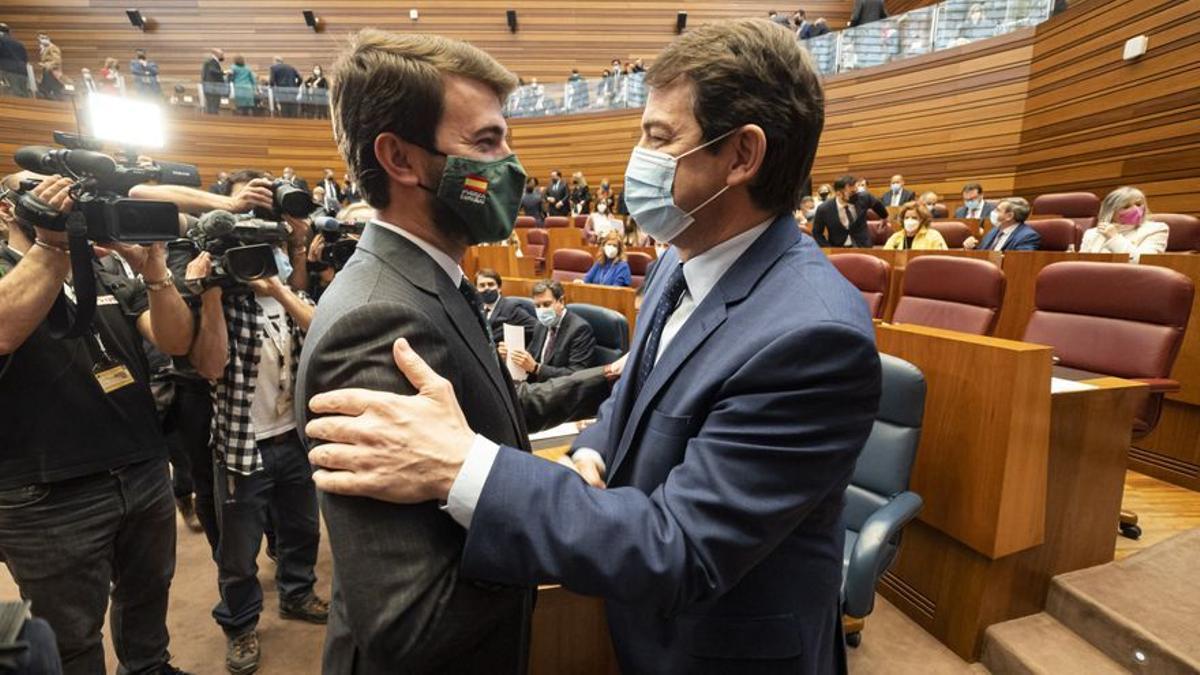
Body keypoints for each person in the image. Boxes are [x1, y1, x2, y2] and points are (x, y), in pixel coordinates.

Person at [303, 18, 881, 675]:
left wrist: (469, 468)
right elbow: (637, 391)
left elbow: (685, 546)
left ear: (742, 156)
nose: (637, 156)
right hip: (640, 626)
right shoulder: (681, 257)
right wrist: (592, 451)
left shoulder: (814, 336)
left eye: (658, 137)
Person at [294, 29, 540, 674]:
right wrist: (545, 514)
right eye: (485, 143)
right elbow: (411, 623)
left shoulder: (425, 281)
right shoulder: (380, 320)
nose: (510, 164)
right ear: (400, 160)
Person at [0, 175, 195, 675]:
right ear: (7, 210)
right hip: (48, 493)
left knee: (147, 596)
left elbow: (174, 340)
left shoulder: (101, 271)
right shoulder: (14, 269)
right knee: (71, 636)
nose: (61, 194)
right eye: (39, 190)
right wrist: (51, 243)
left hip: (142, 468)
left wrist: (155, 273)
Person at [186, 171, 327, 675]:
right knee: (239, 552)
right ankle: (241, 626)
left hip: (294, 437)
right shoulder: (230, 303)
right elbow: (208, 366)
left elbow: (323, 329)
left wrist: (280, 286)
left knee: (302, 528)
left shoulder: (289, 303)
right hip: (243, 446)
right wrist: (211, 295)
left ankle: (297, 592)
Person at [502, 279, 596, 381]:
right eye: (537, 306)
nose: (542, 310)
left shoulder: (580, 329)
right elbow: (530, 357)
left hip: (561, 389)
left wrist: (537, 368)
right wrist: (511, 357)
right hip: (539, 385)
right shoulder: (540, 325)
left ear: (561, 301)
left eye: (546, 304)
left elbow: (576, 374)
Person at [1079, 187, 1169, 262]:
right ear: (1110, 211)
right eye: (1126, 206)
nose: (1135, 210)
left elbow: (1144, 262)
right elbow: (1081, 264)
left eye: (1138, 204)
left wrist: (1114, 237)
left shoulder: (1156, 229)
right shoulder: (1092, 233)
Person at [812, 174, 885, 247]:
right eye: (852, 193)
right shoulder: (824, 209)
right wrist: (829, 248)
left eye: (856, 191)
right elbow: (817, 234)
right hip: (838, 249)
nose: (856, 195)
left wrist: (884, 217)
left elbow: (879, 207)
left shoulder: (864, 197)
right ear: (839, 193)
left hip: (863, 247)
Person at [476, 268, 538, 345]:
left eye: (491, 284)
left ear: (499, 288)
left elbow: (537, 328)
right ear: (476, 289)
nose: (487, 288)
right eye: (482, 285)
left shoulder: (511, 308)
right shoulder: (476, 308)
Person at [964, 197, 1041, 251]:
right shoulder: (994, 231)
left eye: (997, 210)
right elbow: (983, 253)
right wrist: (971, 248)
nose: (993, 212)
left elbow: (1019, 263)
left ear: (1009, 216)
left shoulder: (1028, 237)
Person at [0, 24, 30, 97]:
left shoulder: (1, 41)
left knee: (10, 98)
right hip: (22, 72)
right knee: (22, 96)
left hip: (7, 71)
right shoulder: (19, 43)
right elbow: (25, 59)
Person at [35, 33, 64, 100]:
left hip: (52, 71)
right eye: (40, 39)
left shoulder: (52, 47)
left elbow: (57, 60)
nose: (41, 40)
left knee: (54, 88)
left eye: (43, 38)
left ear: (48, 39)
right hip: (47, 71)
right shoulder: (45, 48)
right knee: (45, 89)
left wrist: (46, 65)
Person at [201, 48, 227, 114]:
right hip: (213, 87)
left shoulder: (209, 61)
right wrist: (225, 72)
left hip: (209, 86)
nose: (223, 56)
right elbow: (213, 71)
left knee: (211, 105)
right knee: (214, 106)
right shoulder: (212, 61)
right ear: (216, 54)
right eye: (221, 54)